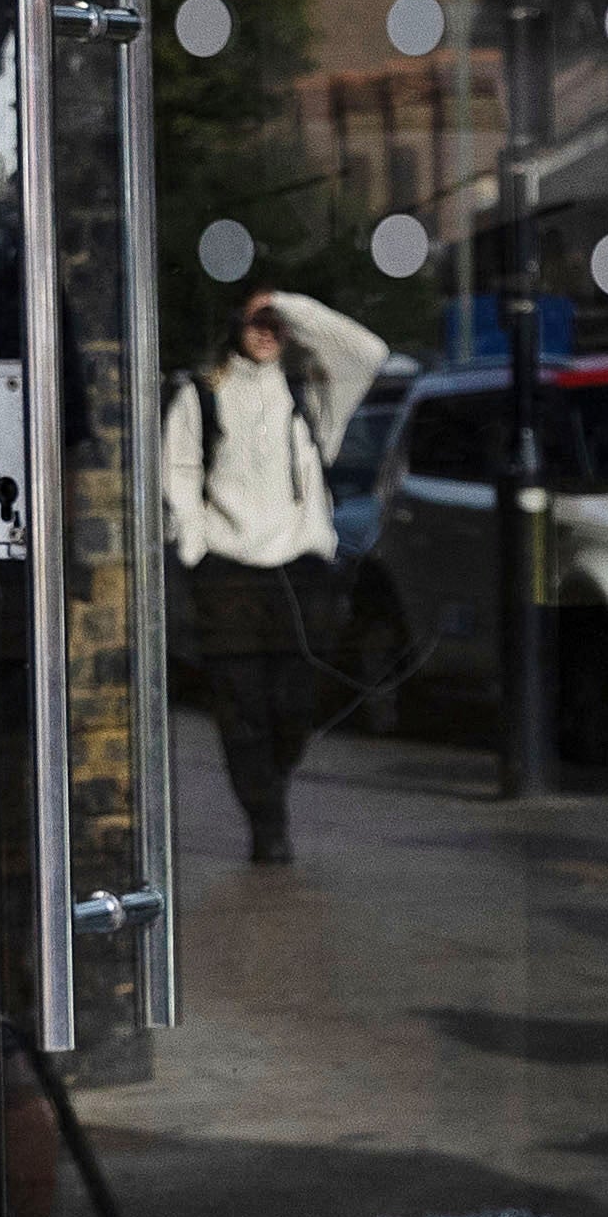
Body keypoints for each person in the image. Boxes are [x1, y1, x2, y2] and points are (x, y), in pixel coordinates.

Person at [163, 280, 387, 862]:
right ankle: (267, 824)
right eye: (255, 319)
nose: (266, 331)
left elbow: (369, 353)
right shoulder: (201, 395)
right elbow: (179, 474)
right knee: (241, 705)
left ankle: (272, 787)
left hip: (299, 569)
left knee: (295, 704)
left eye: (275, 323)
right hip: (229, 571)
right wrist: (194, 548)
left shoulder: (307, 394)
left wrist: (287, 304)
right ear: (233, 322)